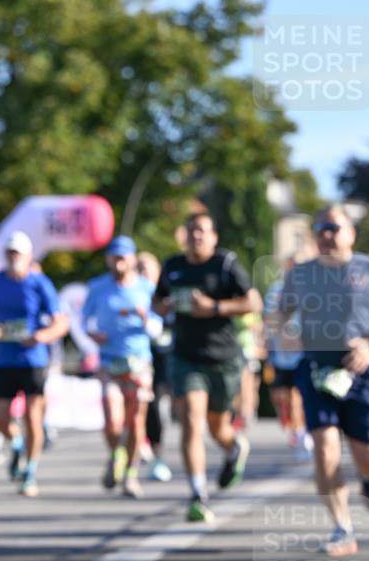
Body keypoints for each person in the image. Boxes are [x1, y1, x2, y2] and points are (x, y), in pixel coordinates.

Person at [278, 205, 369, 556]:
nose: (325, 234)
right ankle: (342, 527)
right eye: (319, 228)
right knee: (325, 446)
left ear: (351, 233)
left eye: (333, 227)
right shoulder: (301, 274)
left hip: (360, 373)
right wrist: (282, 335)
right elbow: (280, 314)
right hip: (316, 371)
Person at [154, 211, 257, 522]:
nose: (195, 236)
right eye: (190, 230)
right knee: (190, 421)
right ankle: (198, 494)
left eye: (201, 231)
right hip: (186, 357)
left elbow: (253, 302)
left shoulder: (225, 264)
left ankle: (233, 447)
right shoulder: (172, 266)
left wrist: (214, 307)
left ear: (213, 237)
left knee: (217, 428)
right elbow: (156, 303)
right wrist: (166, 306)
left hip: (223, 359)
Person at [0, 231, 68, 497]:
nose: (14, 258)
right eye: (10, 253)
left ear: (28, 257)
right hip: (1, 359)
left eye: (18, 253)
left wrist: (41, 336)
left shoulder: (40, 284)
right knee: (0, 417)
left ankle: (30, 471)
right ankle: (16, 444)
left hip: (32, 360)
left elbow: (61, 323)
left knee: (33, 417)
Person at [82, 236, 159, 499]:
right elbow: (84, 322)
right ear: (108, 260)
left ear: (132, 260)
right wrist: (93, 335)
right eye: (114, 258)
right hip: (108, 362)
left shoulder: (146, 289)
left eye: (123, 258)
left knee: (136, 421)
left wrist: (146, 318)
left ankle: (131, 474)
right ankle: (116, 453)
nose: (118, 263)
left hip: (139, 362)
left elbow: (159, 328)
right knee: (113, 422)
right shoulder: (98, 287)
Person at [263, 257, 313, 460]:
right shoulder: (276, 289)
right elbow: (269, 318)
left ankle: (302, 434)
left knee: (298, 396)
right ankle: (298, 430)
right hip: (281, 353)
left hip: (303, 352)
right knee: (281, 395)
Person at [137, 251, 172, 483]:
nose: (142, 272)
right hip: (138, 359)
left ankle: (158, 453)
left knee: (158, 405)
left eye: (147, 267)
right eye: (138, 267)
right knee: (144, 405)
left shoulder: (164, 294)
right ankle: (142, 447)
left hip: (164, 358)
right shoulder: (132, 293)